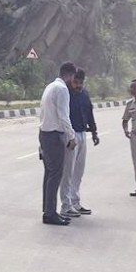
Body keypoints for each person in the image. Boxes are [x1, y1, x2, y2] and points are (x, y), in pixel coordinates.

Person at [38, 62, 78, 226]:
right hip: (54, 136)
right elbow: (63, 116)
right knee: (56, 175)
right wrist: (72, 136)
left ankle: (48, 210)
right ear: (69, 75)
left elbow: (43, 114)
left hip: (44, 134)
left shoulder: (50, 87)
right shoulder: (62, 90)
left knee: (49, 174)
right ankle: (50, 213)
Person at [60, 69, 100, 219]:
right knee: (68, 172)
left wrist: (94, 132)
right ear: (71, 80)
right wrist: (69, 136)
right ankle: (66, 205)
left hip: (83, 133)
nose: (78, 85)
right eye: (76, 82)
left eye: (81, 82)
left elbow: (89, 113)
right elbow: (63, 116)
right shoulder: (66, 94)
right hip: (70, 135)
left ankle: (75, 202)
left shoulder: (84, 94)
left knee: (79, 171)